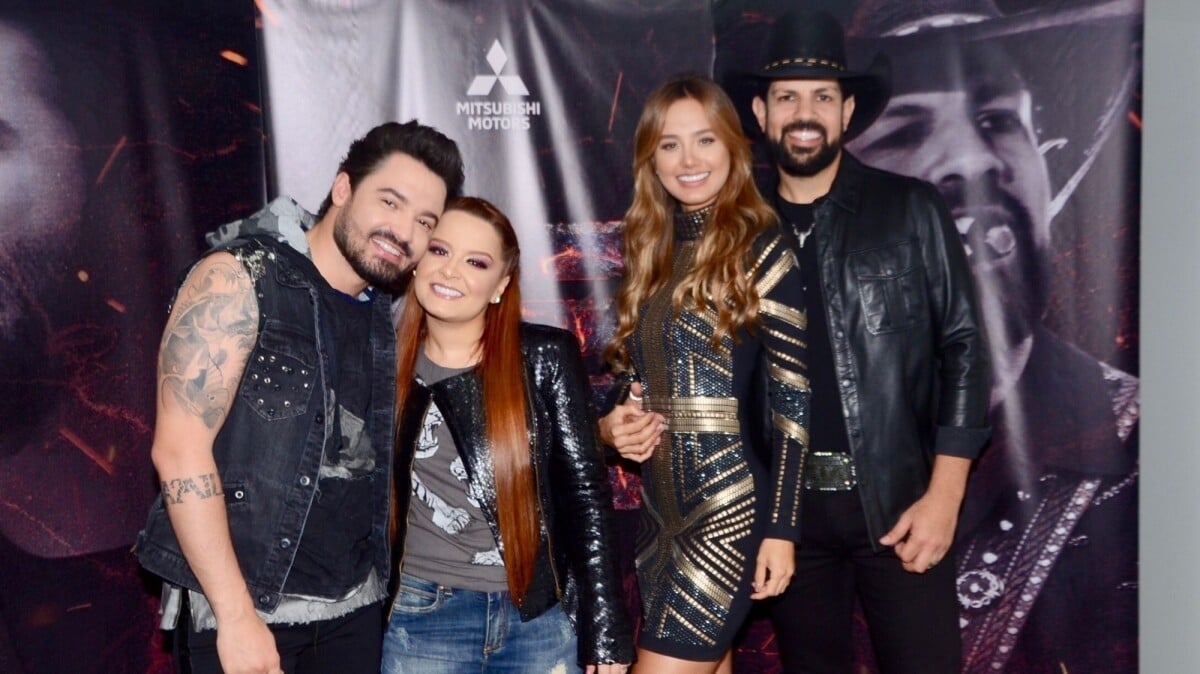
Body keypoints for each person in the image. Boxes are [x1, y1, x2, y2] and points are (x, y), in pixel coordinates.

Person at [843, 1, 1141, 671]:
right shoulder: (794, 425)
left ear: (1048, 168)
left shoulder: (1145, 451)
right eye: (904, 129)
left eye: (996, 120)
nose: (972, 159)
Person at [136, 120, 465, 674]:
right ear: (343, 190)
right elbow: (179, 452)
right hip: (250, 614)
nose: (403, 230)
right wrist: (236, 615)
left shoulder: (386, 313)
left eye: (424, 221)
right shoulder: (240, 276)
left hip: (355, 609)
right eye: (390, 201)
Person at [745, 10, 991, 673]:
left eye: (823, 96)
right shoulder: (739, 233)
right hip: (787, 516)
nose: (805, 112)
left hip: (900, 503)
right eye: (787, 95)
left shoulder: (911, 208)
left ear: (847, 111)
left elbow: (965, 347)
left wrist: (944, 496)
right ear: (762, 113)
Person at [598, 74, 810, 674]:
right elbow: (635, 379)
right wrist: (617, 423)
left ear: (734, 149)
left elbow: (793, 401)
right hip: (659, 517)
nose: (688, 160)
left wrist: (782, 530)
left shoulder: (762, 246)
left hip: (728, 513)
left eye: (705, 141)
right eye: (669, 145)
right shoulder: (653, 251)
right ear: (651, 160)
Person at [384, 196, 633, 673]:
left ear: (500, 284)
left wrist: (605, 635)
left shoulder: (545, 359)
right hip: (422, 615)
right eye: (439, 251)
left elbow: (587, 497)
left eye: (475, 262)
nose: (451, 271)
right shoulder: (381, 362)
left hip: (537, 619)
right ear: (415, 262)